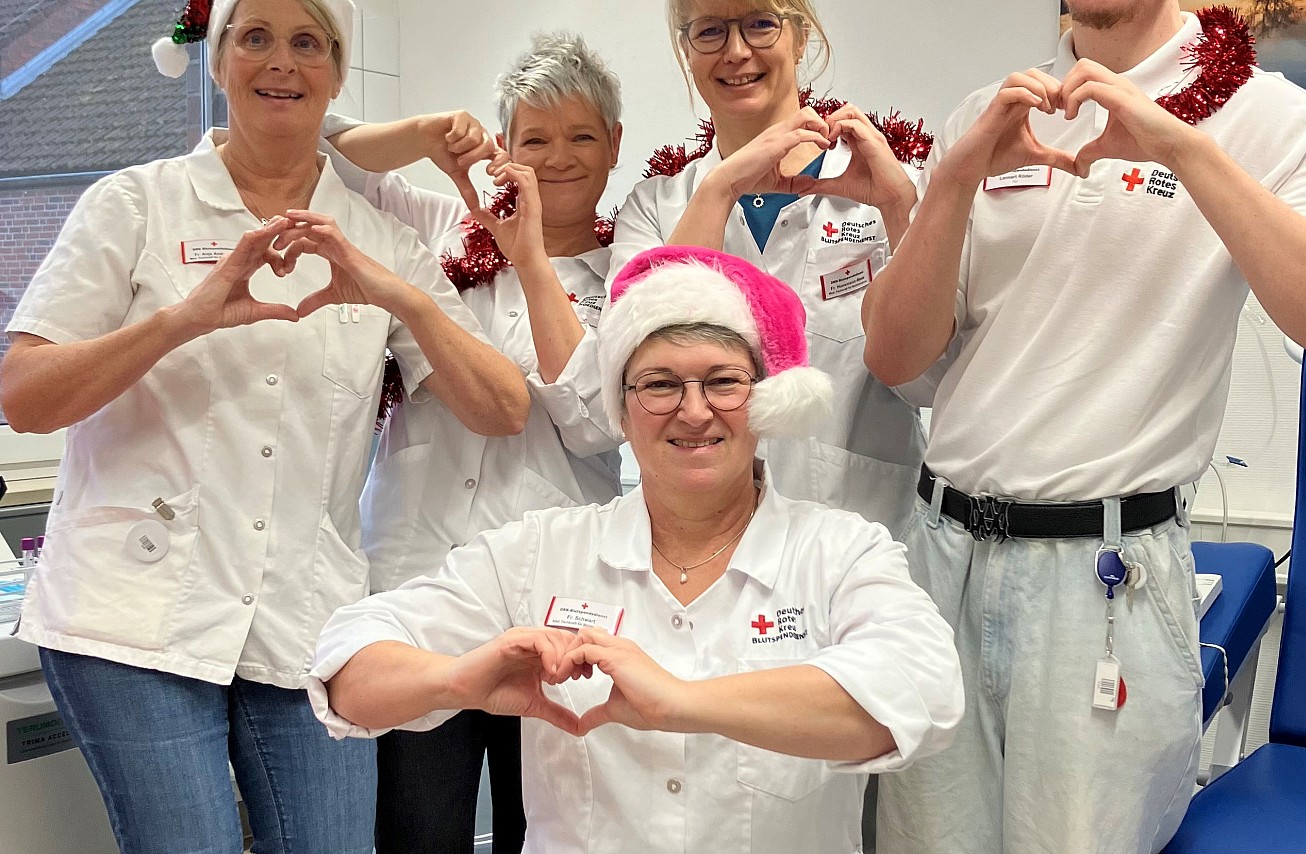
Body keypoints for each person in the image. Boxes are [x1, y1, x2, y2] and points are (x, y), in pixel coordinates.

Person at [863, 2, 1306, 853]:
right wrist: (954, 180)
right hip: (941, 559)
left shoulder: (1269, 114)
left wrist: (1183, 149)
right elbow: (897, 358)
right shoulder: (987, 112)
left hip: (1099, 585)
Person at [0, 0, 528, 851]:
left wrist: (397, 296)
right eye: (256, 38)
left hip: (300, 616)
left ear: (336, 74)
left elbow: (500, 409)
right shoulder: (133, 206)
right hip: (131, 613)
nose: (281, 62)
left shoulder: (379, 238)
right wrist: (185, 319)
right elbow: (23, 395)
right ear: (218, 63)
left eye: (307, 43)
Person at [309, 245, 965, 854]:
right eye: (659, 385)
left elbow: (922, 690)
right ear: (621, 411)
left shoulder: (837, 551)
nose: (694, 411)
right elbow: (347, 672)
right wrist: (456, 680)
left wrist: (683, 702)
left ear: (763, 401)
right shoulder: (544, 551)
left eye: (723, 382)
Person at [317, 33, 625, 854]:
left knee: (552, 830)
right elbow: (318, 143)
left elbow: (593, 421)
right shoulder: (437, 228)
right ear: (503, 148)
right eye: (534, 139)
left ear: (615, 147)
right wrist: (423, 135)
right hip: (425, 591)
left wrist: (529, 258)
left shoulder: (631, 272)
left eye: (581, 137)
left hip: (558, 606)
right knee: (421, 831)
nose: (558, 158)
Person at [610, 0, 934, 536]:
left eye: (761, 23)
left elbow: (929, 380)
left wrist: (900, 209)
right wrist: (720, 190)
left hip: (865, 528)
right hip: (698, 537)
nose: (737, 52)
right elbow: (636, 372)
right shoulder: (656, 207)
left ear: (801, 37)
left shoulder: (886, 188)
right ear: (687, 51)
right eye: (710, 30)